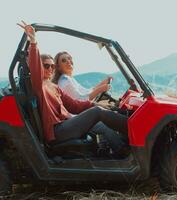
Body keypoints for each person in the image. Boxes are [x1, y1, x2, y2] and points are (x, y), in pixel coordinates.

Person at [17, 21, 128, 155]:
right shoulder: (39, 85)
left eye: (52, 66)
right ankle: (135, 129)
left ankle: (123, 145)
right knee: (97, 112)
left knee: (100, 111)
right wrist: (33, 41)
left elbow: (74, 105)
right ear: (40, 67)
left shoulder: (54, 87)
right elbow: (34, 67)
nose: (50, 68)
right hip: (57, 131)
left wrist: (96, 104)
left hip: (66, 124)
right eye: (46, 66)